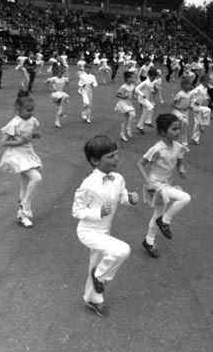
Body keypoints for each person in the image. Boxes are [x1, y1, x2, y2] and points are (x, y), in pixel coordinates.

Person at [72, 135, 139, 317]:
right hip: (88, 231)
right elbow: (77, 211)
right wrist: (98, 213)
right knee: (122, 250)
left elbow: (122, 197)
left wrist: (130, 199)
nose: (116, 159)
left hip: (104, 231)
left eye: (116, 154)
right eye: (110, 156)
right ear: (95, 160)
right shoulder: (88, 185)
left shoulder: (117, 178)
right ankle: (99, 276)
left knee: (96, 263)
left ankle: (92, 299)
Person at [136, 113, 191, 258]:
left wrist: (181, 169)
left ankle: (149, 241)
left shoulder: (178, 146)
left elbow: (179, 161)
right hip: (155, 185)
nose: (178, 132)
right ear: (162, 132)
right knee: (185, 198)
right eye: (174, 129)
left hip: (166, 183)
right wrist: (148, 183)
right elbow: (140, 164)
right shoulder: (157, 149)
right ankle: (165, 221)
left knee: (157, 213)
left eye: (178, 128)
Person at [0, 96, 42, 228]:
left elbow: (33, 133)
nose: (31, 113)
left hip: (28, 153)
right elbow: (3, 142)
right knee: (36, 178)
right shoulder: (14, 123)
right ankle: (25, 204)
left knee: (24, 184)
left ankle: (22, 215)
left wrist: (35, 135)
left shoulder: (32, 120)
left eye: (32, 110)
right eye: (28, 110)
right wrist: (19, 141)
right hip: (17, 155)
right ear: (19, 109)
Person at [113, 71, 136, 142]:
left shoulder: (133, 86)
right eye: (131, 78)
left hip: (129, 104)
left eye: (133, 78)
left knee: (126, 119)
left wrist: (134, 97)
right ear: (127, 79)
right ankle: (128, 129)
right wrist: (123, 96)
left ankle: (122, 134)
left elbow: (133, 94)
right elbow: (117, 94)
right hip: (123, 103)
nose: (133, 79)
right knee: (132, 114)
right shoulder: (123, 87)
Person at [134, 68, 158, 134]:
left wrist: (153, 91)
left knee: (145, 113)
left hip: (146, 99)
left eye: (155, 77)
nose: (154, 78)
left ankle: (139, 126)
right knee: (151, 107)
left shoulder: (152, 82)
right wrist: (142, 94)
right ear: (149, 75)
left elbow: (150, 89)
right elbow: (136, 88)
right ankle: (148, 121)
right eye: (153, 77)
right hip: (142, 99)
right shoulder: (145, 82)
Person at [190, 74, 211, 145]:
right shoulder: (198, 88)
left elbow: (203, 95)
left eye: (208, 81)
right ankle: (203, 125)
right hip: (195, 107)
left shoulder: (205, 88)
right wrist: (194, 101)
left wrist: (207, 98)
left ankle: (194, 138)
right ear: (202, 81)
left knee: (197, 123)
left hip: (199, 106)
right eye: (207, 81)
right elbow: (190, 94)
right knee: (208, 110)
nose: (208, 82)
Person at [46, 64, 70, 128]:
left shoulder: (64, 79)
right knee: (63, 99)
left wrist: (66, 86)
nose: (61, 74)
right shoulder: (53, 78)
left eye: (62, 73)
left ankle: (57, 122)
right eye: (59, 73)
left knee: (60, 106)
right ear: (56, 73)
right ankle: (60, 111)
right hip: (55, 94)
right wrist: (50, 88)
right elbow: (46, 82)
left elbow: (67, 84)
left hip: (61, 93)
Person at [171, 77, 193, 146]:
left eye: (190, 85)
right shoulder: (180, 94)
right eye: (188, 85)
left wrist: (190, 107)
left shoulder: (190, 94)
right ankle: (182, 139)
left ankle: (180, 138)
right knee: (184, 122)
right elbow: (172, 103)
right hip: (177, 112)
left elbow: (187, 103)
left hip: (185, 112)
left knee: (184, 125)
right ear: (183, 85)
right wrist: (179, 108)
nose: (190, 86)